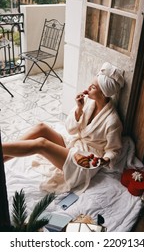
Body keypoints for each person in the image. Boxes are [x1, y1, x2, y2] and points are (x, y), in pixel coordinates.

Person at [3, 62, 125, 193]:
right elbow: (71, 130)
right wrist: (79, 109)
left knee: (41, 144)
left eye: (93, 87)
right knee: (41, 128)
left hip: (84, 161)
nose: (88, 87)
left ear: (104, 94)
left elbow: (114, 151)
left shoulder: (112, 121)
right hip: (74, 146)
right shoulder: (89, 102)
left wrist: (103, 160)